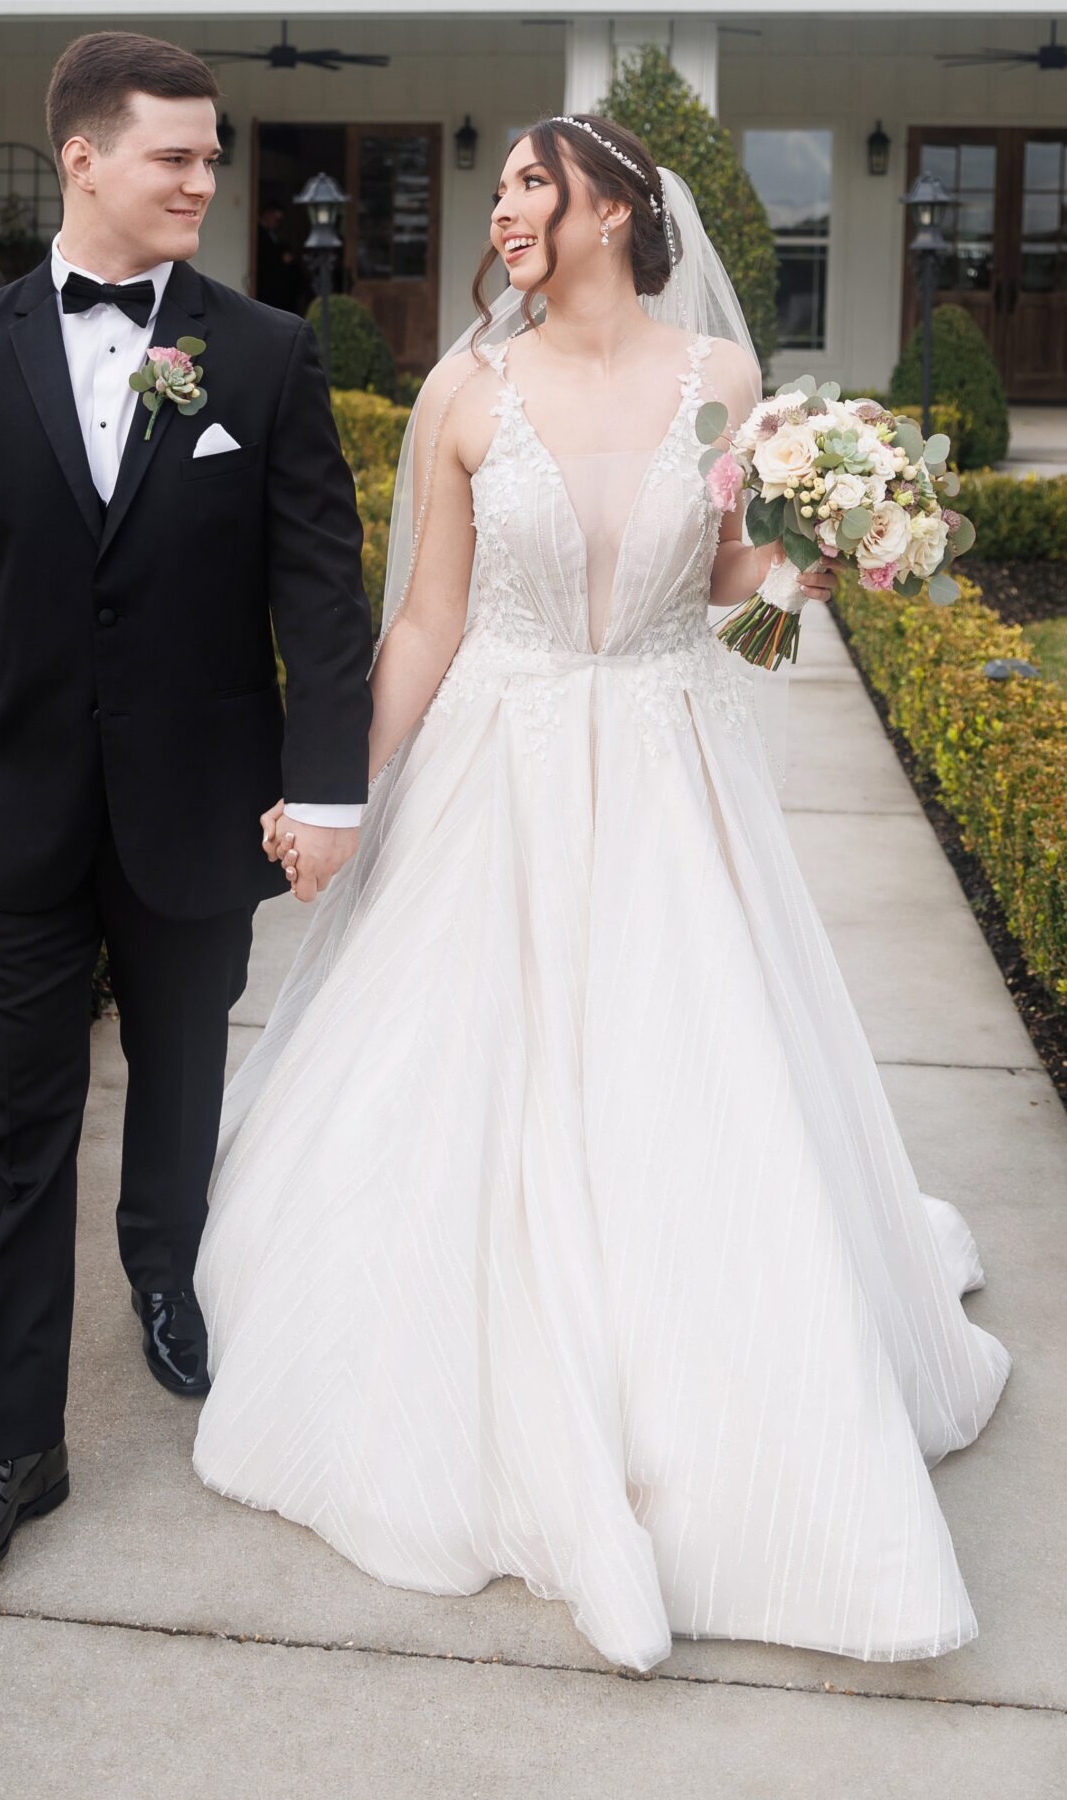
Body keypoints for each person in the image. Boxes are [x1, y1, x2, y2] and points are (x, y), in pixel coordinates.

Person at [192, 112, 1011, 1675]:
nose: (501, 210)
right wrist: (338, 793)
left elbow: (723, 602)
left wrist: (805, 562)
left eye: (530, 183)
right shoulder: (462, 391)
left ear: (616, 211)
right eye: (500, 185)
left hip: (660, 774)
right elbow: (425, 623)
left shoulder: (718, 381)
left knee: (683, 1085)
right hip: (490, 775)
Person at [0, 30, 374, 1586]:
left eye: (211, 156)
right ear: (82, 159)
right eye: (175, 155)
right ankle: (11, 1450)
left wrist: (324, 790)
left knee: (177, 1076)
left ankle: (166, 1271)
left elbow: (320, 596)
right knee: (15, 1129)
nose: (204, 180)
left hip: (198, 806)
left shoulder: (263, 355)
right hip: (4, 814)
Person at [255, 197, 309, 317]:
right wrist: (281, 258)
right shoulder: (258, 232)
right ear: (267, 214)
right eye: (276, 219)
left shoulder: (274, 233)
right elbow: (265, 257)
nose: (277, 223)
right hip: (268, 283)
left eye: (280, 220)